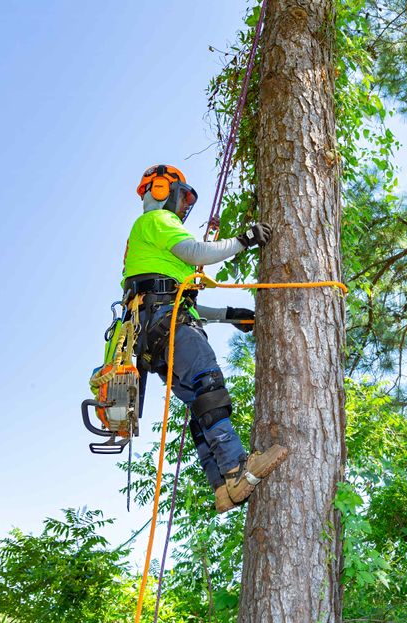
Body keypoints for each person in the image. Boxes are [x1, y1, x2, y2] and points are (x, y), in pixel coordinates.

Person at [122, 164, 287, 513]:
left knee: (201, 405)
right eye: (183, 199)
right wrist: (245, 240)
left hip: (156, 334)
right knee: (209, 385)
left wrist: (231, 316)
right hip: (167, 324)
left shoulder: (154, 251)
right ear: (163, 191)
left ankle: (221, 487)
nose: (184, 209)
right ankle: (236, 468)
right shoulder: (155, 222)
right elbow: (198, 254)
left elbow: (182, 299)